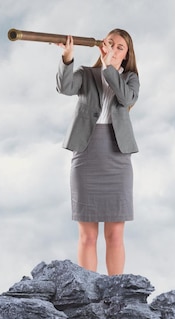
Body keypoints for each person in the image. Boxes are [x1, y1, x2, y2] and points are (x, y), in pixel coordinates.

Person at [56, 29, 139, 275]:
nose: (113, 49)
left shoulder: (131, 78)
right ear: (102, 46)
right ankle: (88, 293)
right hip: (86, 154)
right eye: (110, 43)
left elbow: (125, 98)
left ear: (126, 55)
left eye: (120, 47)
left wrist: (109, 69)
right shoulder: (86, 75)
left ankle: (116, 291)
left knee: (115, 234)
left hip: (117, 156)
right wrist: (67, 58)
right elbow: (64, 87)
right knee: (87, 235)